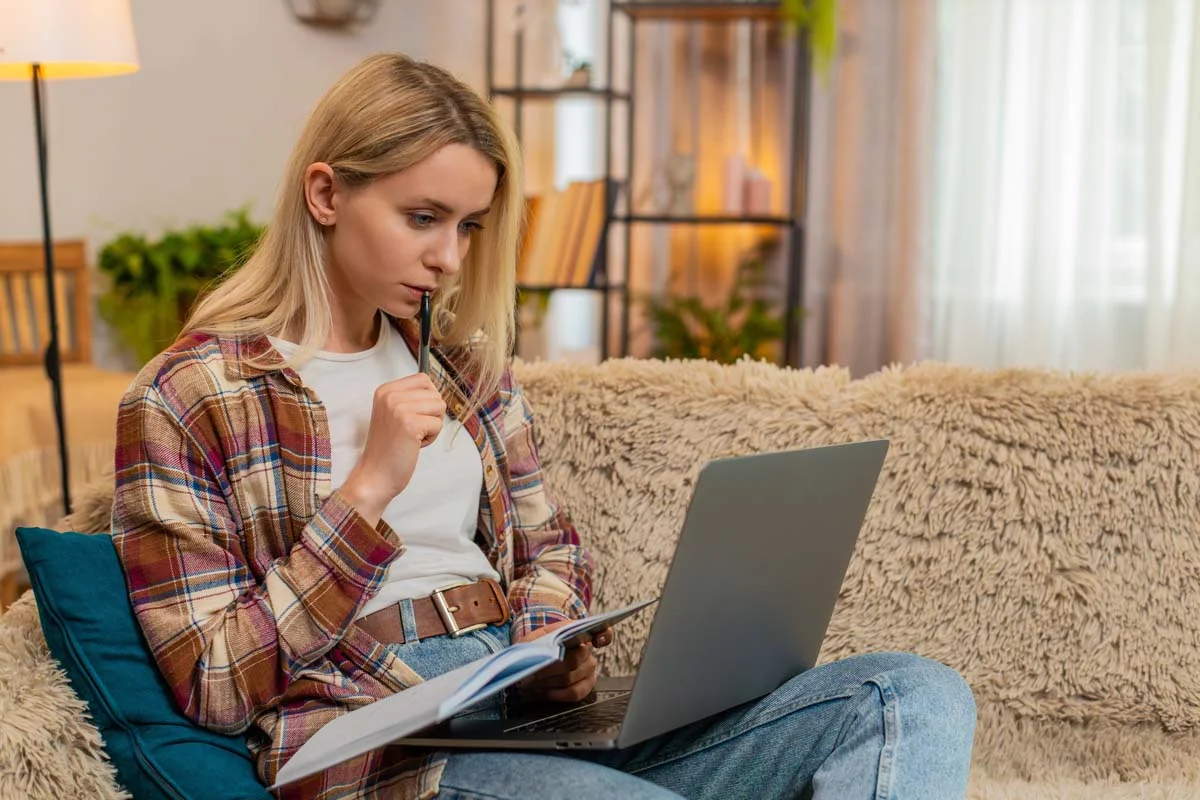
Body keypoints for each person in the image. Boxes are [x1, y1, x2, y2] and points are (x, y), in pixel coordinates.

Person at [110, 52, 977, 800]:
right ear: (327, 193)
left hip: (524, 711)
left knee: (913, 696)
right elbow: (214, 682)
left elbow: (548, 547)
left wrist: (546, 644)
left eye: (468, 226)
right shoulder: (190, 397)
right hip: (388, 743)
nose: (450, 257)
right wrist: (367, 491)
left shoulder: (463, 371)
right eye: (423, 218)